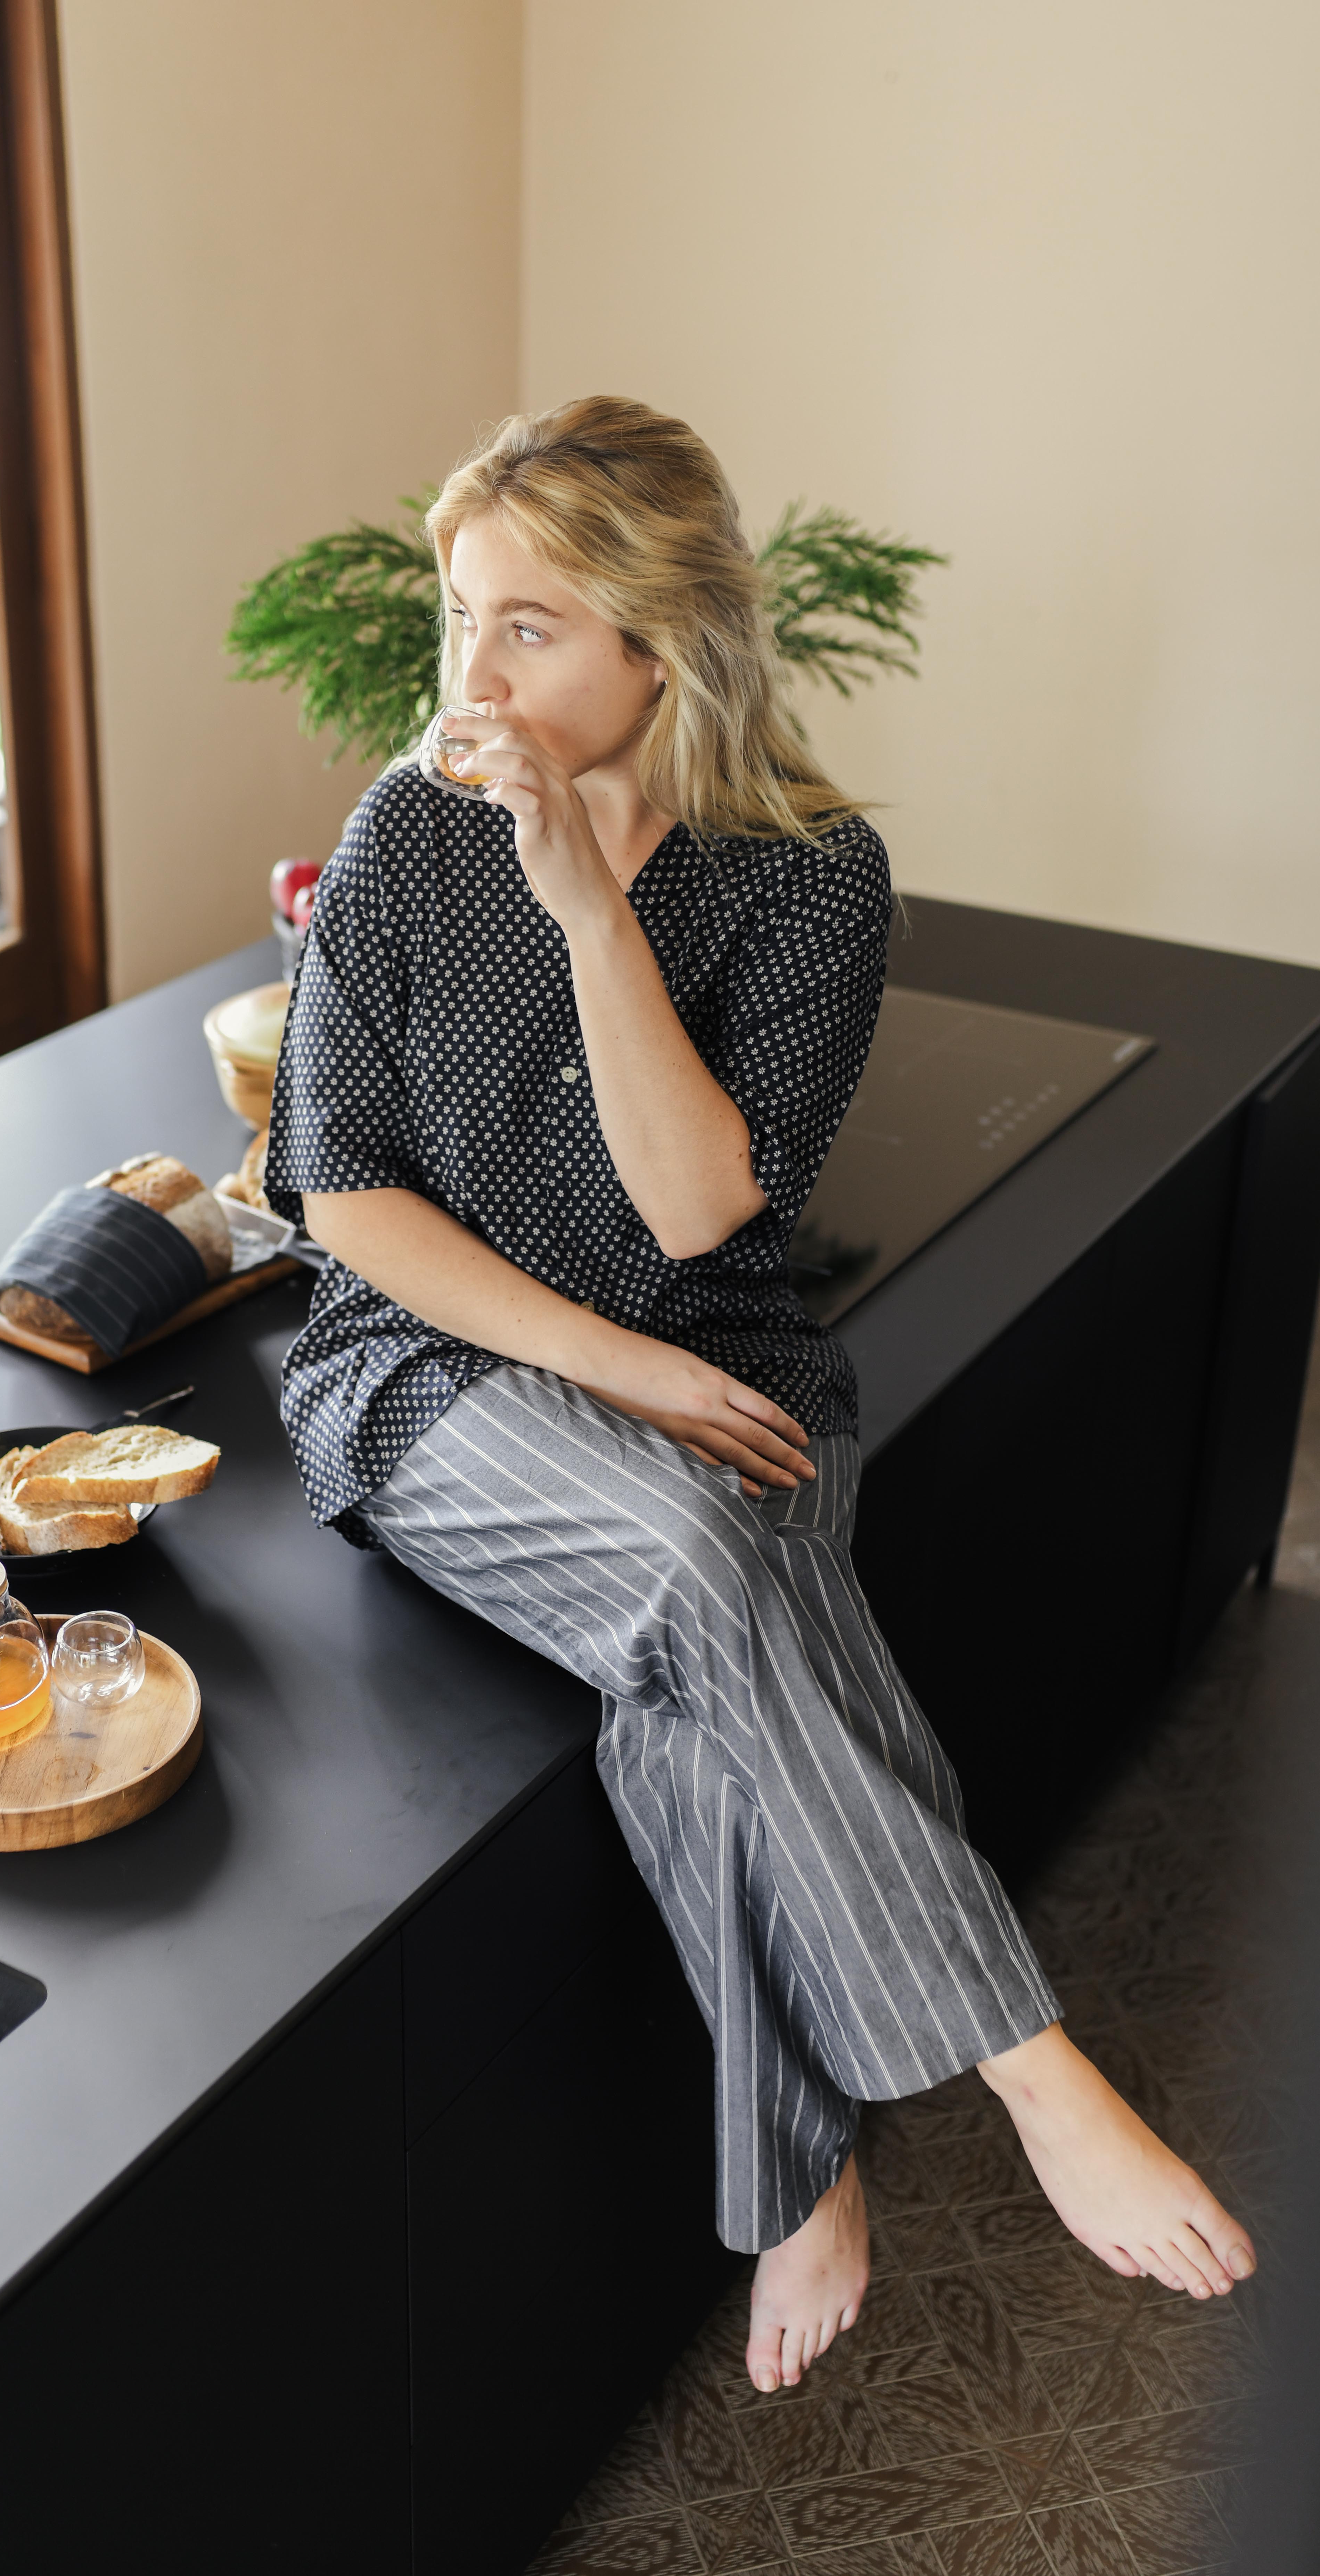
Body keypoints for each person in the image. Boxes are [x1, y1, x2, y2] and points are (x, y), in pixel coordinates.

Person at [262, 395, 1255, 2395]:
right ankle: (1033, 2068)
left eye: (529, 626)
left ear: (664, 641)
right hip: (433, 1371)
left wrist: (586, 903)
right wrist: (611, 1361)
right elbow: (340, 1191)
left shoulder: (812, 876)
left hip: (732, 1364)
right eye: (463, 617)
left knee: (688, 1686)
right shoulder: (400, 834)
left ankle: (795, 2170)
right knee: (704, 1564)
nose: (475, 677)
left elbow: (701, 1207)